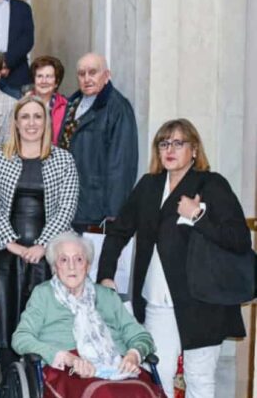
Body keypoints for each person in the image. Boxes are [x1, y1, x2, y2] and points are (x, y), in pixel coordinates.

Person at [98, 119, 250, 398]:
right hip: (157, 301)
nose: (169, 149)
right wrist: (106, 274)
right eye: (164, 143)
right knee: (156, 376)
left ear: (194, 150)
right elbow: (118, 232)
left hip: (203, 302)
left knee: (199, 380)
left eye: (178, 143)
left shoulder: (211, 184)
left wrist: (198, 216)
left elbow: (239, 238)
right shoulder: (148, 185)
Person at [0, 95, 80, 369]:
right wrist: (11, 244)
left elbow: (67, 206)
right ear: (16, 122)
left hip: (47, 257)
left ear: (46, 122)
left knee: (42, 327)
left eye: (38, 116)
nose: (31, 122)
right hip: (4, 255)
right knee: (5, 325)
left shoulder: (63, 160)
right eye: (25, 117)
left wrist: (42, 245)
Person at [12, 232, 159, 397]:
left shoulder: (107, 296)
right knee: (102, 392)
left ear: (88, 266)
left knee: (142, 391)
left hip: (116, 364)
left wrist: (134, 354)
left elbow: (141, 336)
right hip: (68, 369)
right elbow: (21, 338)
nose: (72, 266)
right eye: (64, 260)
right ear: (54, 267)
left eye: (79, 259)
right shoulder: (43, 294)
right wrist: (67, 358)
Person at [58, 53, 138, 230]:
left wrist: (114, 213)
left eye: (93, 72)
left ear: (107, 75)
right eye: (81, 73)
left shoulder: (118, 107)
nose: (87, 78)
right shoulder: (73, 102)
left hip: (95, 210)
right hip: (68, 205)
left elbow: (122, 165)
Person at [25, 55, 68, 144]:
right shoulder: (22, 105)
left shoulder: (66, 107)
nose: (44, 81)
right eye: (40, 76)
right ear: (34, 80)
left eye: (49, 76)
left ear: (56, 82)